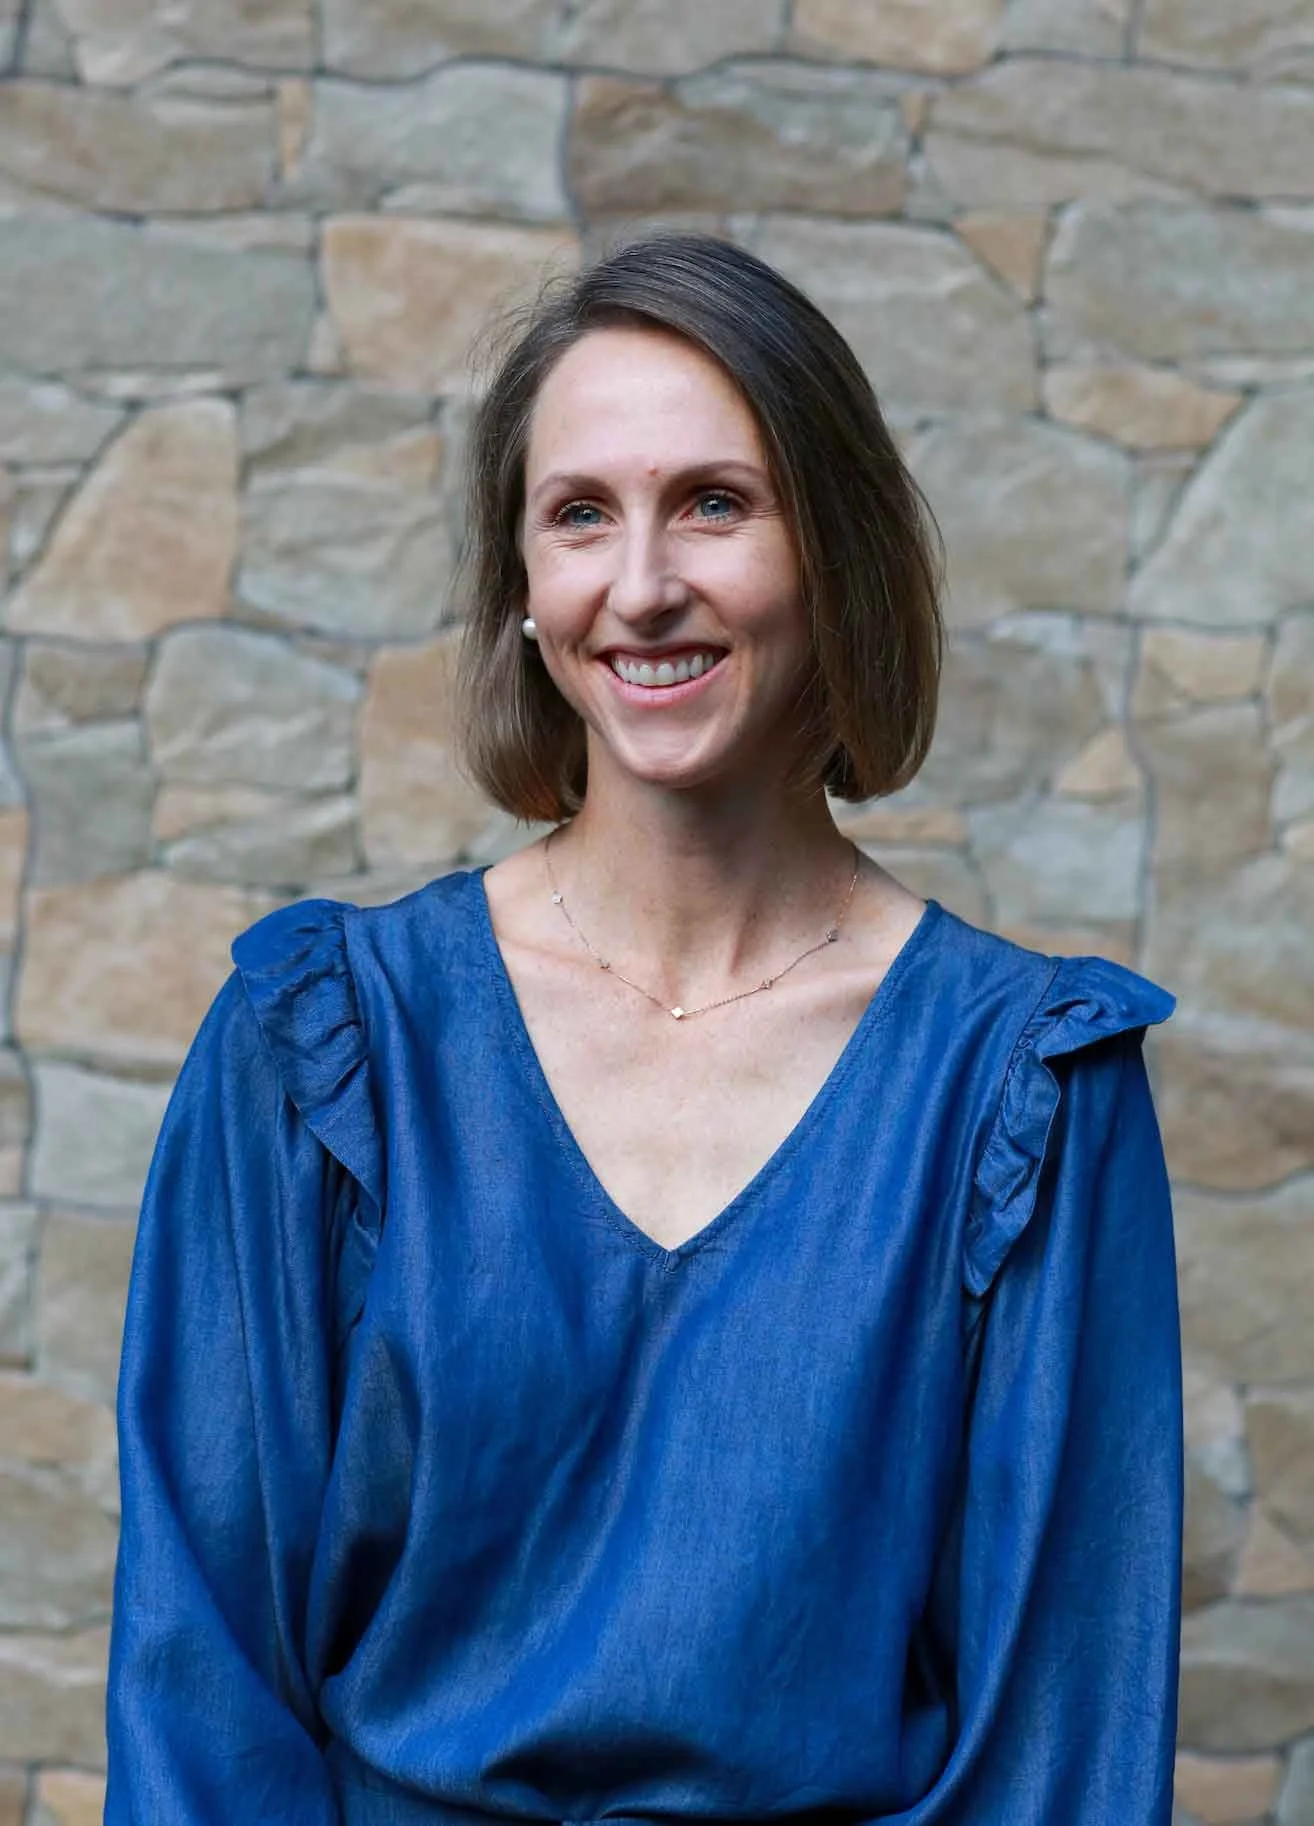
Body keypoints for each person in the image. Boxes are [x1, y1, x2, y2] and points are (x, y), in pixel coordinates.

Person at [105, 234, 1183, 1824]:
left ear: (837, 555)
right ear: (525, 594)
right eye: (579, 515)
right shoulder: (319, 1050)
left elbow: (1064, 1742)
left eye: (715, 502)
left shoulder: (1018, 1087)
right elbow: (201, 1680)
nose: (642, 584)